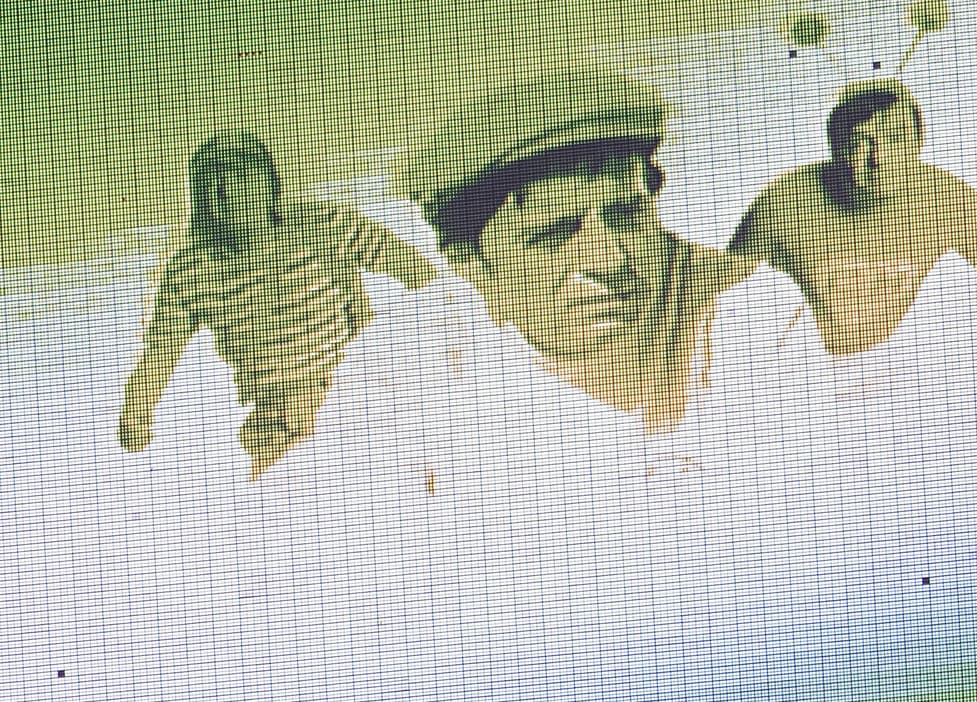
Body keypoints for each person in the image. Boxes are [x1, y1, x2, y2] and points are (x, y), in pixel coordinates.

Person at [405, 69, 750, 433]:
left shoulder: (753, 310)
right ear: (471, 267)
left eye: (627, 214)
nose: (609, 258)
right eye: (552, 233)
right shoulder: (423, 400)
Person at [119, 131, 436, 475]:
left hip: (350, 383)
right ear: (201, 199)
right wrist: (136, 415)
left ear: (268, 184)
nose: (227, 193)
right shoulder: (189, 273)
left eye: (240, 178)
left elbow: (420, 274)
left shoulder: (324, 224)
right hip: (271, 409)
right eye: (213, 184)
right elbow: (161, 353)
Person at [731, 79, 977, 359]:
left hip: (902, 360)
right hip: (805, 362)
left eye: (895, 138)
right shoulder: (783, 203)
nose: (879, 157)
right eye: (860, 142)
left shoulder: (952, 203)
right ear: (834, 150)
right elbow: (721, 292)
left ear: (920, 142)